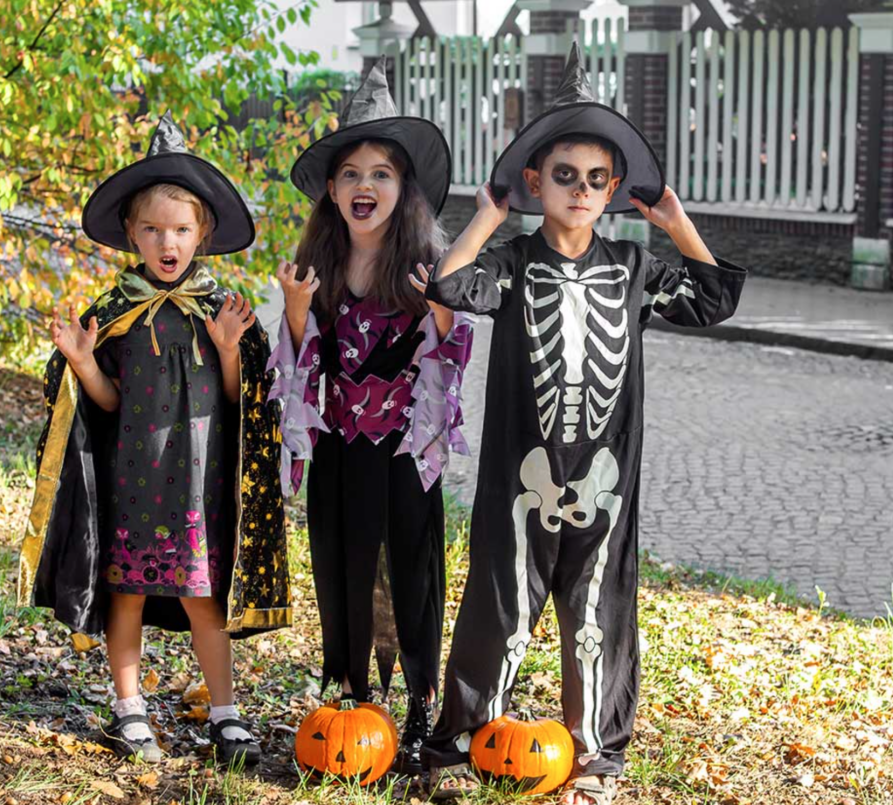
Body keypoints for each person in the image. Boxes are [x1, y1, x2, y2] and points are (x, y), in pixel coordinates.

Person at [422, 45, 747, 804]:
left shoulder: (634, 270)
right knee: (500, 603)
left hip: (603, 479)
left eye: (598, 179)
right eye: (565, 175)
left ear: (613, 190)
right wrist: (488, 214)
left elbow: (715, 297)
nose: (582, 190)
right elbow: (446, 282)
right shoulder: (511, 263)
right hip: (520, 477)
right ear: (537, 183)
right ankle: (460, 743)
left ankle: (595, 758)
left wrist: (674, 219)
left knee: (598, 612)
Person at [17, 112, 290, 765]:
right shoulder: (117, 315)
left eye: (181, 228)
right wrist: (83, 361)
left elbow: (239, 400)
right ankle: (129, 707)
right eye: (153, 228)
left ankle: (225, 712)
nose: (167, 241)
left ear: (203, 233)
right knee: (128, 593)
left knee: (203, 597)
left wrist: (229, 350)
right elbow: (108, 403)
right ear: (131, 234)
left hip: (198, 489)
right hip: (136, 484)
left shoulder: (220, 312)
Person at [269, 59, 472, 774]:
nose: (365, 185)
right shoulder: (316, 262)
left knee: (409, 571)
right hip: (341, 448)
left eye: (381, 173)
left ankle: (417, 702)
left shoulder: (426, 264)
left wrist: (444, 316)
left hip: (404, 452)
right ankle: (352, 691)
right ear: (331, 189)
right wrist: (296, 316)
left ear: (403, 188)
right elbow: (295, 371)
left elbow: (454, 361)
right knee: (344, 564)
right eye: (351, 172)